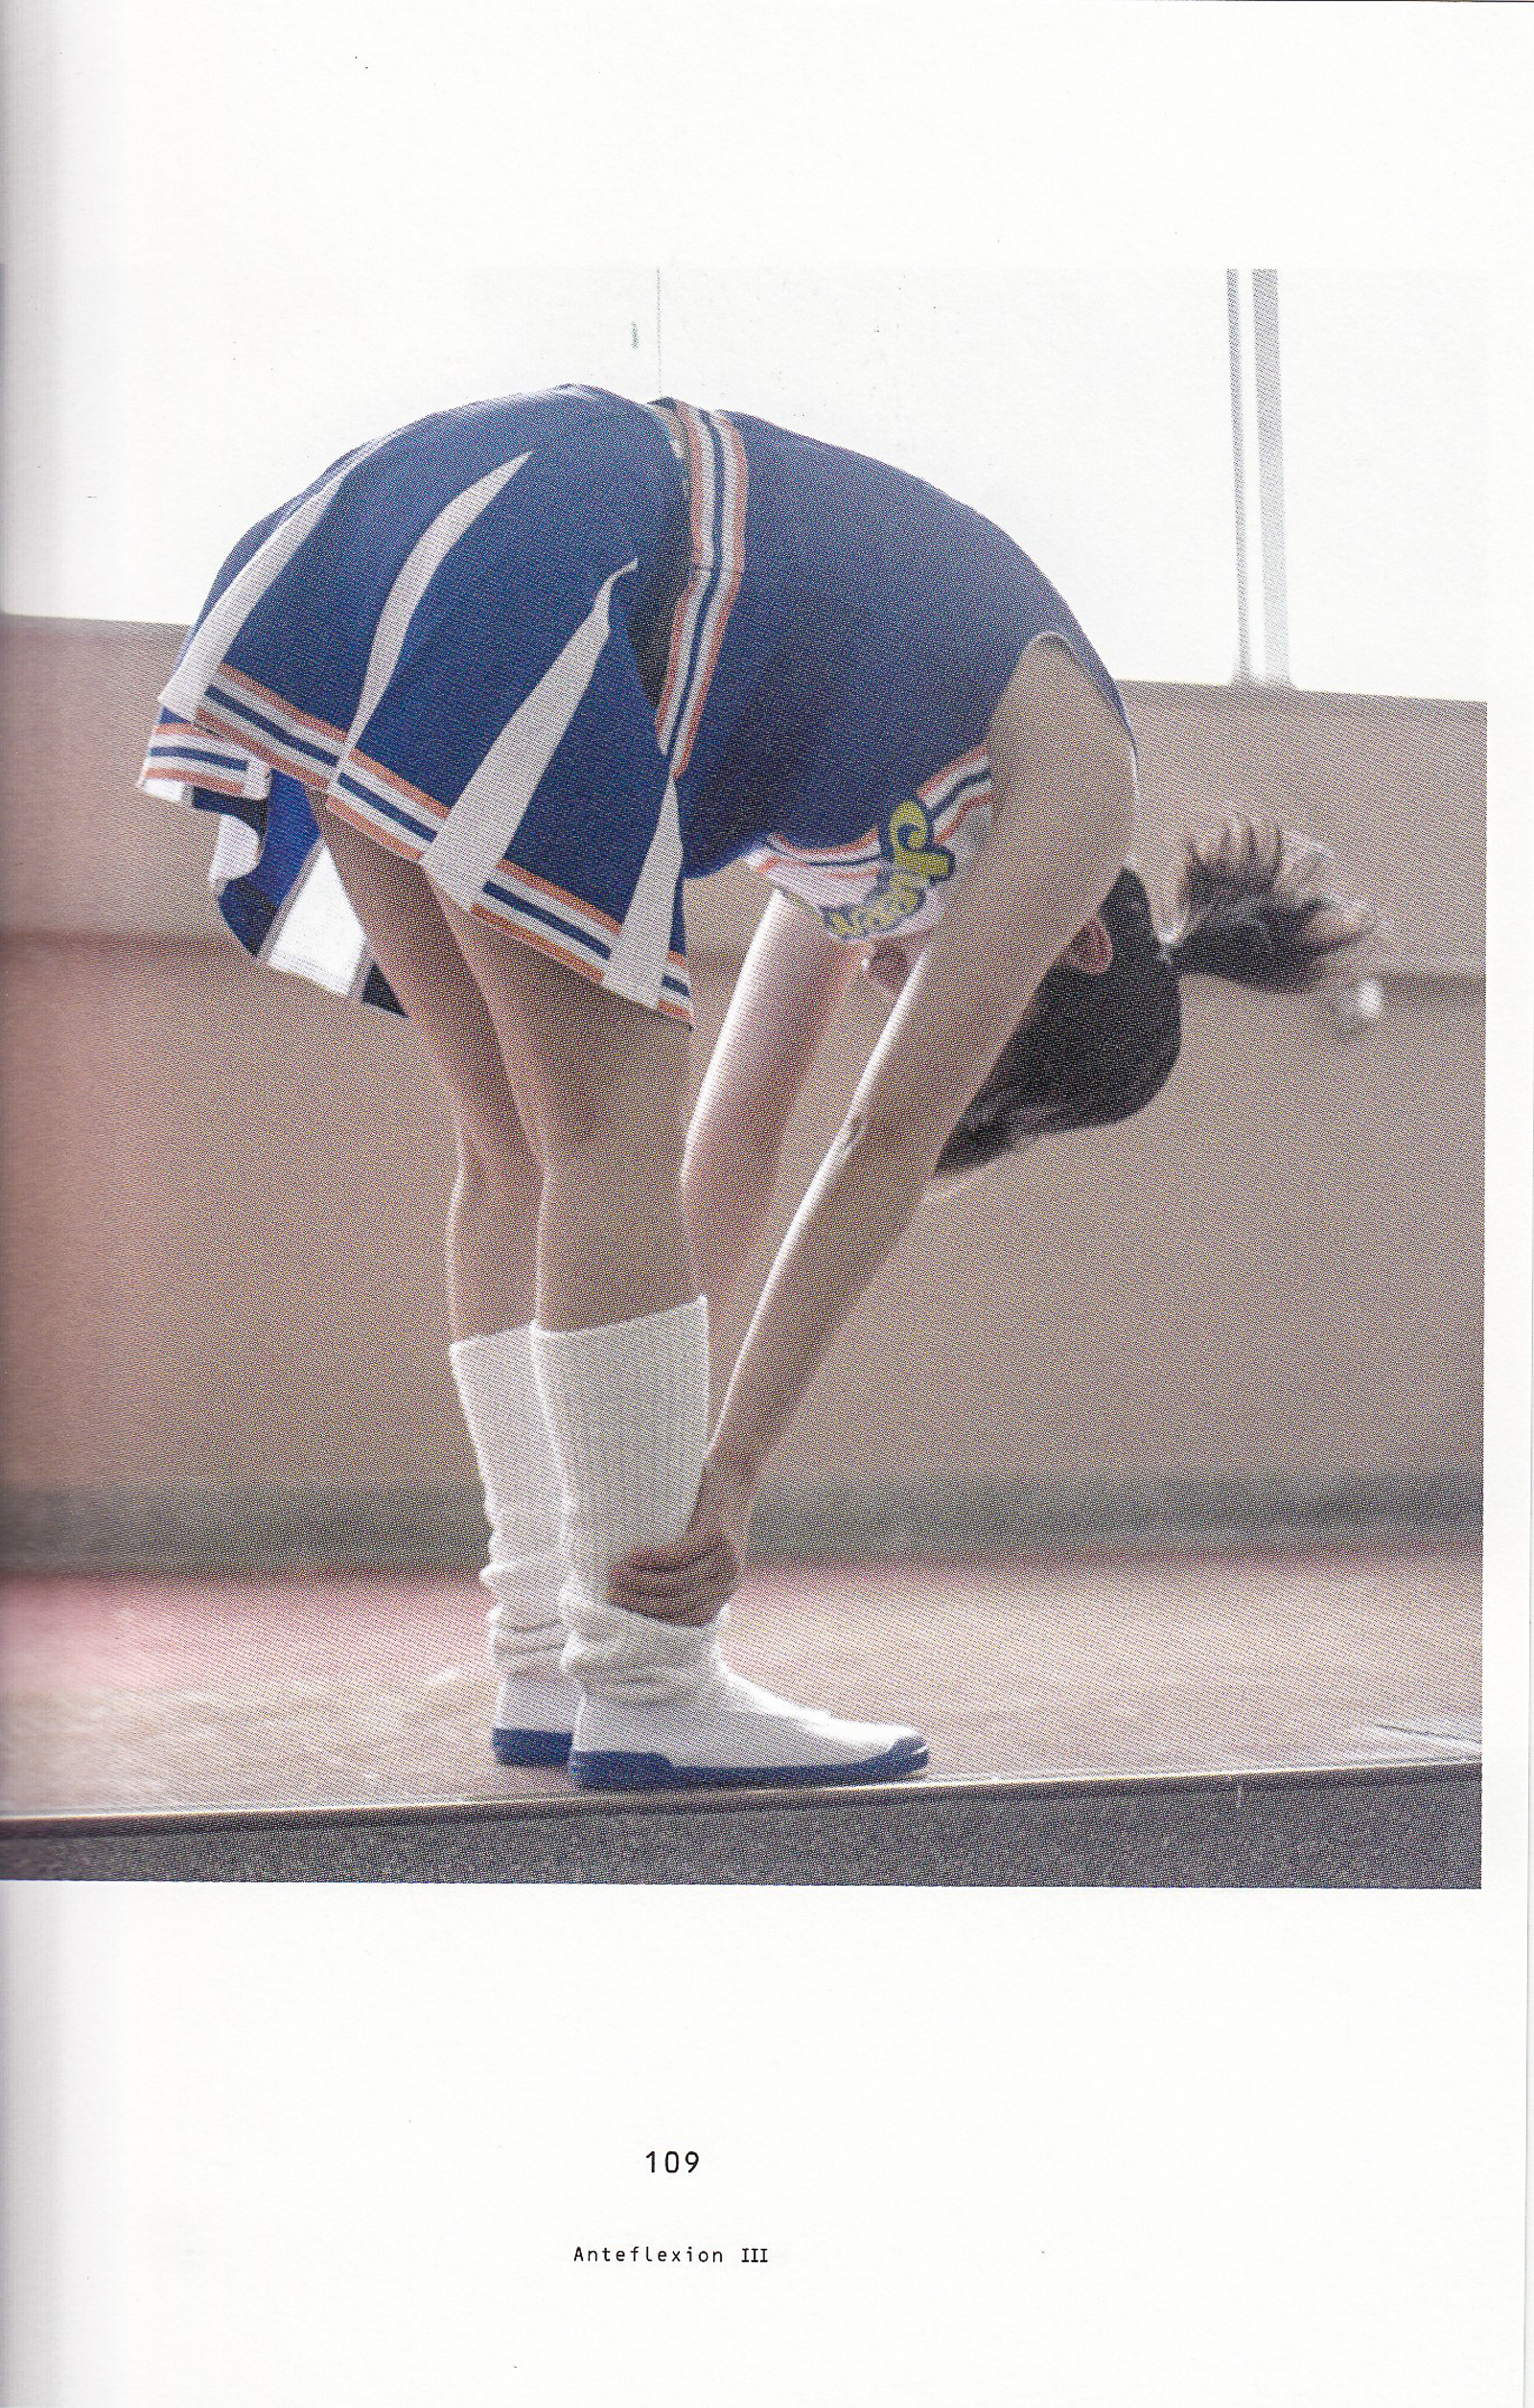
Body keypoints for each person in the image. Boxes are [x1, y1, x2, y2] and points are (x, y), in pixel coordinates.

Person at [138, 383, 1372, 1792]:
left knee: (522, 1150)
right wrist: (723, 1484)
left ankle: (549, 1653)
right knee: (599, 1137)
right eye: (948, 1003)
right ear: (1079, 943)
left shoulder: (890, 829)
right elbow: (883, 1137)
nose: (902, 995)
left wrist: (683, 1469)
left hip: (403, 529)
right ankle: (650, 1683)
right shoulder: (1081, 790)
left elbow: (732, 1151)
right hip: (561, 541)